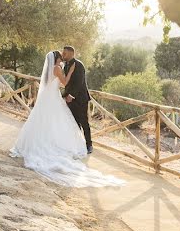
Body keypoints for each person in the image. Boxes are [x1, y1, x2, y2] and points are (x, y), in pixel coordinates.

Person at [10, 51, 123, 188]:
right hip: (53, 97)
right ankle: (59, 144)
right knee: (57, 121)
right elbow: (64, 83)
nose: (62, 56)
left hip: (49, 96)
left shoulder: (56, 68)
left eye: (64, 53)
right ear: (57, 58)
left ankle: (75, 142)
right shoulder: (57, 68)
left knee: (46, 121)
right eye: (60, 55)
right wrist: (69, 72)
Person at [62, 45, 93, 154]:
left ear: (71, 53)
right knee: (74, 122)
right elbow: (68, 83)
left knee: (84, 122)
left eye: (65, 53)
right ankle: (78, 144)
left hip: (80, 99)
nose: (63, 55)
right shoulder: (65, 65)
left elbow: (79, 82)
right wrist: (65, 95)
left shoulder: (79, 65)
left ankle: (89, 145)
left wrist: (71, 95)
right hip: (70, 99)